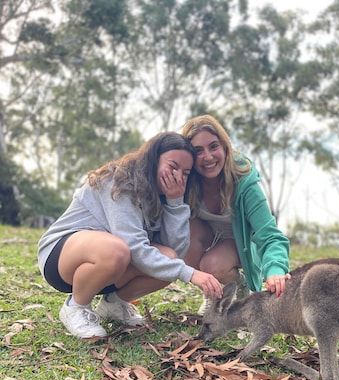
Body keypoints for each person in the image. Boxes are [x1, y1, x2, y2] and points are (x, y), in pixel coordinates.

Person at [37, 132, 222, 339]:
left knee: (168, 259)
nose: (178, 176)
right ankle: (76, 307)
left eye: (186, 173)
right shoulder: (118, 180)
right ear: (153, 160)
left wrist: (175, 202)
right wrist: (190, 273)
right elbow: (133, 246)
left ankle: (114, 305)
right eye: (173, 166)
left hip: (111, 265)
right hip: (61, 257)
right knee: (117, 249)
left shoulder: (161, 195)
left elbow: (174, 251)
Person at [181, 114, 291, 314]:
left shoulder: (245, 183)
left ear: (225, 146)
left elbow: (271, 235)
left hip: (240, 245)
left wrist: (275, 269)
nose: (208, 157)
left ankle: (240, 285)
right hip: (209, 236)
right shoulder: (188, 182)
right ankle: (213, 292)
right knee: (181, 237)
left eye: (213, 146)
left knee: (211, 265)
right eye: (198, 151)